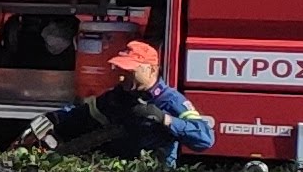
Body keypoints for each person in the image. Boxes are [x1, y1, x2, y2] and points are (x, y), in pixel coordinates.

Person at [43, 40, 213, 163]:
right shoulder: (120, 95)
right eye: (120, 70)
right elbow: (87, 111)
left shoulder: (170, 100)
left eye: (130, 71)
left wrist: (165, 119)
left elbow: (205, 139)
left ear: (151, 70)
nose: (122, 76)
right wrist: (55, 118)